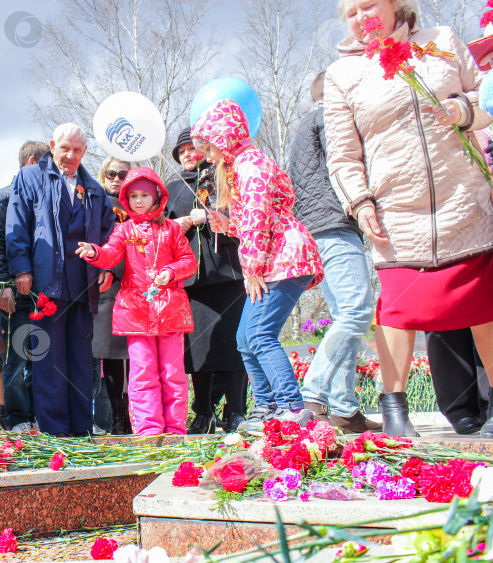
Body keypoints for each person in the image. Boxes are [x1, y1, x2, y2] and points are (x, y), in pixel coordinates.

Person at [326, 0, 493, 436]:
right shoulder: (343, 75)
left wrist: (465, 111)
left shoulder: (442, 43)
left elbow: (486, 96)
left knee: (484, 304)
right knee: (398, 309)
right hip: (397, 210)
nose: (362, 18)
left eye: (369, 6)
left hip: (464, 200)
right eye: (352, 13)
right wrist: (360, 203)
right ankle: (395, 410)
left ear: (396, 4)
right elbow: (343, 155)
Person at [192, 99, 324, 432]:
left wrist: (251, 268)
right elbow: (256, 219)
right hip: (275, 256)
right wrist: (229, 225)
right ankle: (266, 406)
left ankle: (292, 407)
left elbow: (257, 219)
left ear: (224, 138)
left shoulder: (251, 165)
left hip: (285, 258)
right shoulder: (242, 166)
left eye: (209, 147)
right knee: (244, 338)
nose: (207, 155)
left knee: (261, 335)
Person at [5, 123, 115, 436]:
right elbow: (18, 223)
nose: (70, 155)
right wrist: (21, 269)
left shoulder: (92, 187)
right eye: (65, 148)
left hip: (82, 284)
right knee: (49, 361)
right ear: (53, 145)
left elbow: (110, 233)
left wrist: (107, 266)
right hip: (46, 284)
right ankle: (55, 432)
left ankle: (81, 432)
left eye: (78, 150)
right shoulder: (30, 177)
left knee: (81, 362)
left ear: (84, 152)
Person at [288, 73, 379, 433]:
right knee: (357, 311)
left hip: (319, 228)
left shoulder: (305, 125)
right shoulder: (330, 118)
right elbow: (345, 165)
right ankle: (313, 393)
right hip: (335, 223)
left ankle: (343, 407)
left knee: (346, 313)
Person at [77, 167, 197, 435]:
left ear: (157, 197)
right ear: (126, 199)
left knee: (172, 373)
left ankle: (176, 430)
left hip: (169, 311)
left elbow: (190, 261)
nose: (139, 200)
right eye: (133, 196)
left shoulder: (172, 230)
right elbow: (110, 255)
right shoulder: (123, 231)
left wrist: (171, 271)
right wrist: (94, 252)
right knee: (142, 374)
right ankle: (149, 431)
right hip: (135, 313)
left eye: (145, 194)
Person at [165, 127, 249, 434]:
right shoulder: (172, 188)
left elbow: (240, 212)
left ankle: (237, 411)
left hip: (228, 273)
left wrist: (211, 213)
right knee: (198, 350)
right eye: (181, 151)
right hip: (191, 282)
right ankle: (203, 412)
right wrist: (175, 225)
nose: (187, 154)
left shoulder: (223, 176)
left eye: (192, 148)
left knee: (233, 344)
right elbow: (158, 229)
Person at [0, 140, 48, 433]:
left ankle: (40, 415)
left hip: (45, 291)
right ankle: (18, 417)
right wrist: (2, 286)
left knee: (42, 356)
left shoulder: (49, 195)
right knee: (17, 357)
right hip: (15, 291)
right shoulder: (3, 197)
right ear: (33, 162)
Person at [93, 156, 132, 434]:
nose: (116, 179)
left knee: (138, 357)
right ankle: (118, 418)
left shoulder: (141, 204)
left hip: (139, 285)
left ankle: (136, 415)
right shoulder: (96, 202)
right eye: (111, 173)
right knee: (112, 356)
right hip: (107, 285)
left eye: (122, 174)